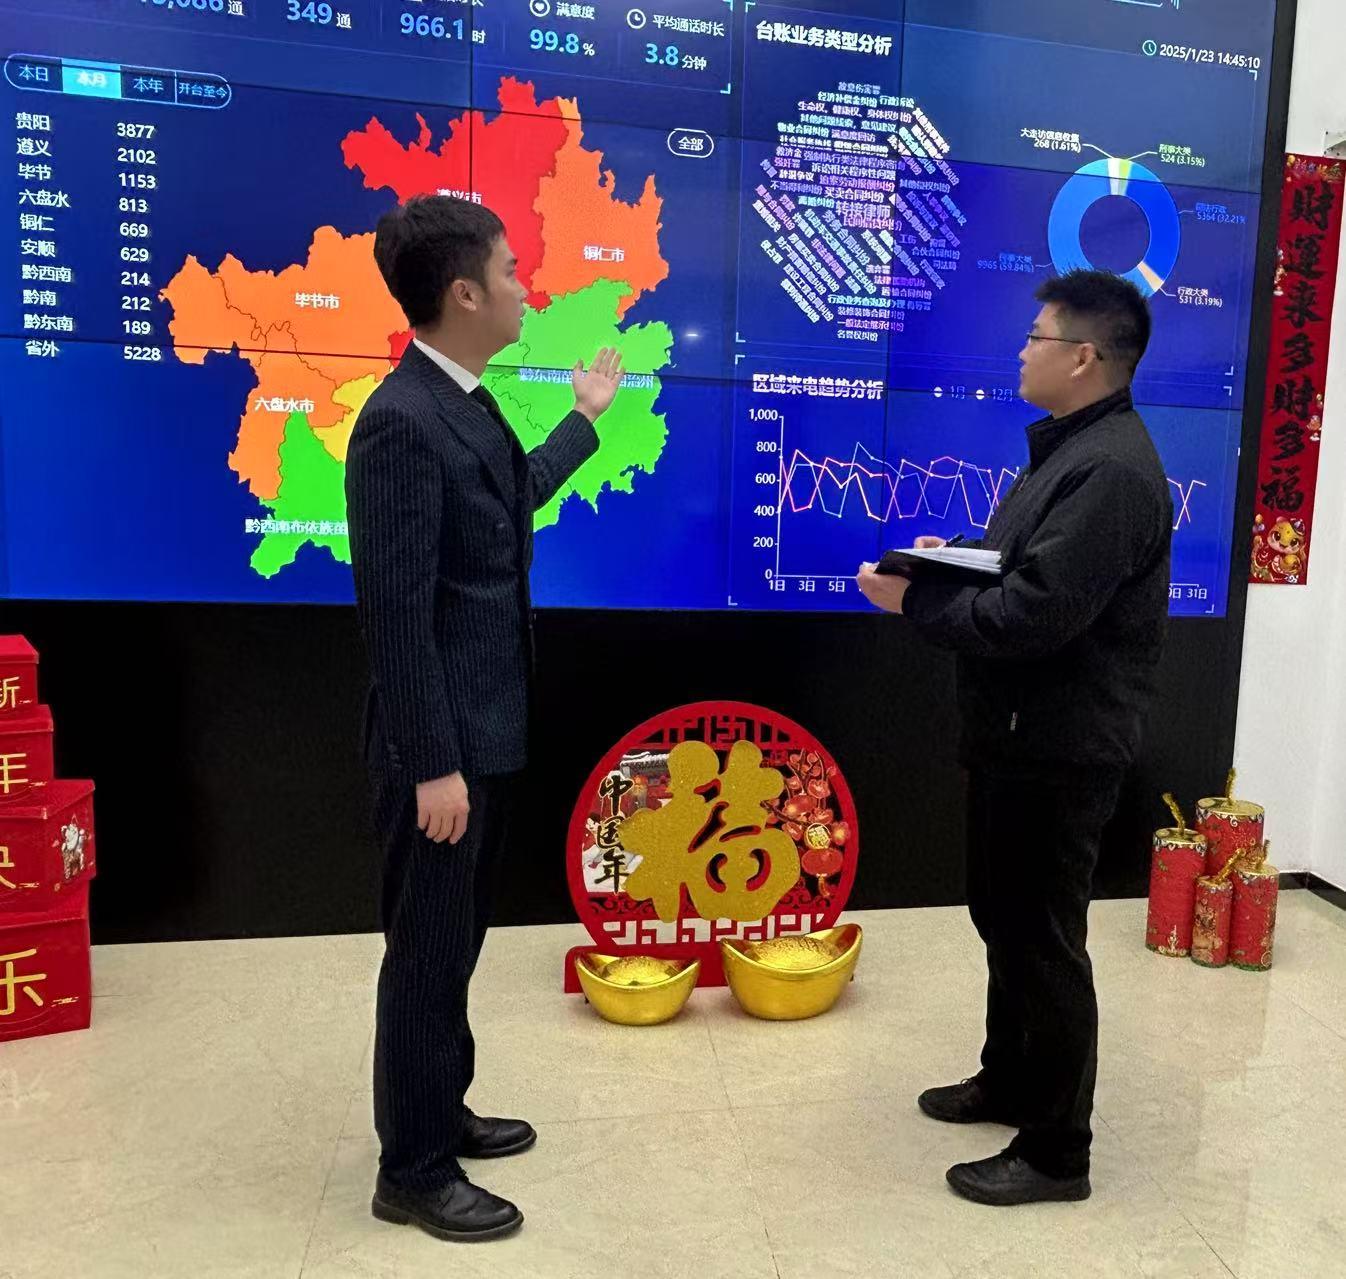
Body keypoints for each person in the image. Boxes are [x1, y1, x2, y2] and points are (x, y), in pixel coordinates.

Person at [857, 269, 1172, 1206]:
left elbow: (1034, 615)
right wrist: (945, 565)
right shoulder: (1069, 451)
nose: (1022, 351)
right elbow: (1022, 567)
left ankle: (1057, 1150)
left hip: (1059, 747)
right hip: (1015, 734)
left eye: (1037, 337)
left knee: (1042, 939)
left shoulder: (1112, 470)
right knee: (1004, 916)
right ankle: (1009, 1078)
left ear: (1083, 357)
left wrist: (916, 603)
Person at [345, 195, 624, 1241]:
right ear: (464, 293)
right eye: (510, 270)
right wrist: (432, 763)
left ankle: (441, 1109)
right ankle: (412, 1169)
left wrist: (586, 418)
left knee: (453, 942)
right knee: (425, 953)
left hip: (483, 734)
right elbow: (395, 615)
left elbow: (513, 497)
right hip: (442, 753)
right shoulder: (400, 421)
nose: (523, 286)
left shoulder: (462, 400)